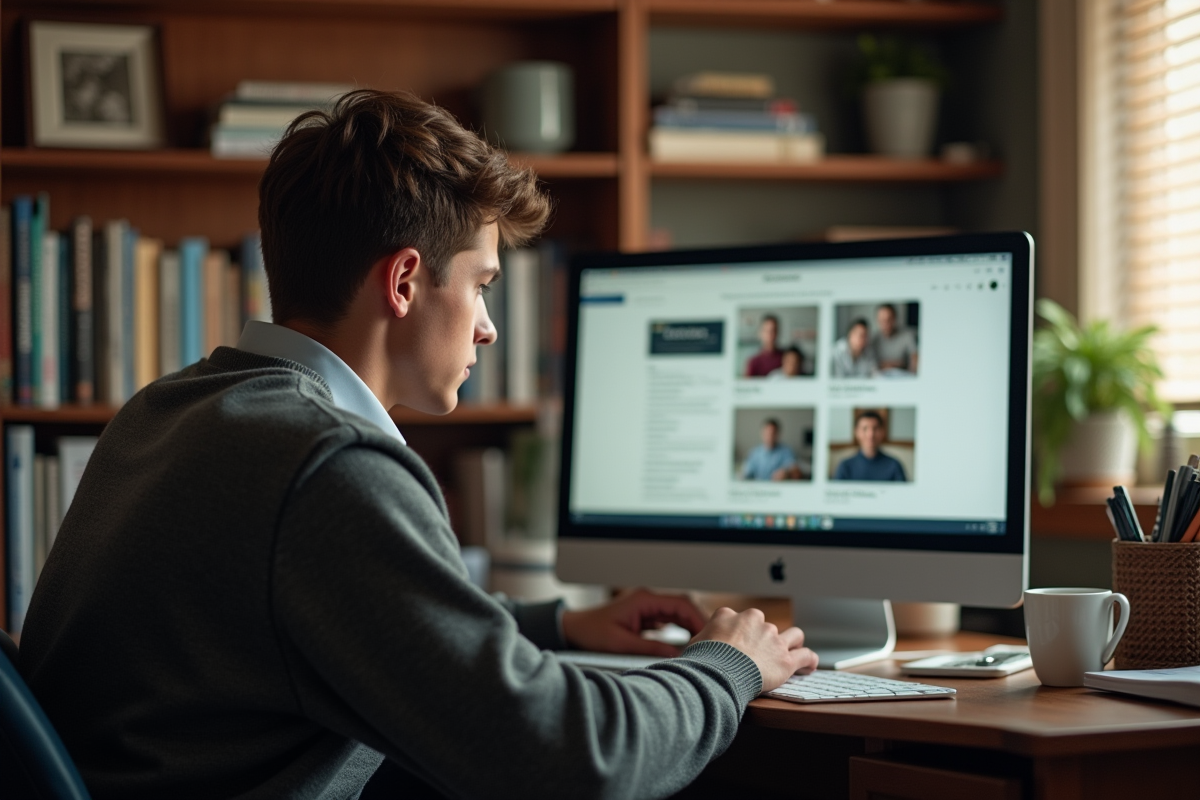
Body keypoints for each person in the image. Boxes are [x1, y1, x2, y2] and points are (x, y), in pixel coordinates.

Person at [17, 90, 818, 800]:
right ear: (403, 282)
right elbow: (577, 761)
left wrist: (559, 627)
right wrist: (727, 663)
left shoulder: (170, 410)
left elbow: (324, 612)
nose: (489, 325)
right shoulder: (327, 464)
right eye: (481, 284)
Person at [833, 410, 908, 482]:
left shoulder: (894, 465)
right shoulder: (845, 466)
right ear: (856, 432)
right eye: (865, 429)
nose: (870, 435)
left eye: (875, 429)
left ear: (882, 432)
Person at [742, 418, 807, 481]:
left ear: (778, 434)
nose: (770, 436)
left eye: (773, 433)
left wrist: (787, 473)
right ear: (762, 433)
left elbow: (795, 470)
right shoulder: (754, 452)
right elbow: (746, 473)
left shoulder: (786, 451)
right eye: (767, 433)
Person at [872, 303, 919, 375]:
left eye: (889, 319)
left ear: (895, 318)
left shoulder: (907, 335)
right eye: (882, 320)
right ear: (877, 320)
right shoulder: (873, 339)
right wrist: (899, 364)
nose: (886, 323)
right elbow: (872, 366)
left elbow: (915, 358)